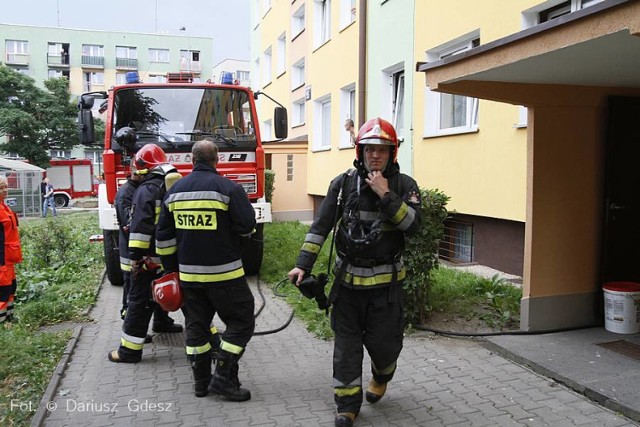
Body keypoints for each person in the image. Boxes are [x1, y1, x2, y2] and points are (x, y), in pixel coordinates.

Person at [288, 118, 422, 427]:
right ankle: (347, 405)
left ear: (392, 154)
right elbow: (320, 228)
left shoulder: (405, 185)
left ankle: (381, 375)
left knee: (385, 348)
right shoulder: (343, 184)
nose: (375, 156)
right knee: (346, 349)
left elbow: (414, 228)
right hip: (347, 286)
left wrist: (387, 196)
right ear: (360, 151)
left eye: (382, 150)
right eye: (370, 149)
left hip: (386, 290)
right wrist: (302, 264)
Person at [156, 139, 256, 401]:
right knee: (242, 322)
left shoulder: (174, 193)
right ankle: (223, 377)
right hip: (226, 277)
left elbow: (163, 238)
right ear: (217, 160)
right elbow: (247, 226)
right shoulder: (229, 189)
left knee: (197, 329)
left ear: (192, 160)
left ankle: (201, 384)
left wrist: (171, 271)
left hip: (189, 277)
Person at [108, 144, 183, 364]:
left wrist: (136, 258)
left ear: (142, 167)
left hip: (149, 261)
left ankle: (129, 351)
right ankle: (211, 344)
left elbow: (140, 229)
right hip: (175, 258)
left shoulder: (146, 190)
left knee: (139, 302)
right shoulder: (176, 186)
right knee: (191, 300)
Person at [0, 175, 22, 325]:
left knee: (11, 286)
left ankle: (9, 317)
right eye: (1, 188)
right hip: (2, 258)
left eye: (5, 186)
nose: (5, 190)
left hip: (9, 257)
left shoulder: (4, 206)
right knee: (3, 289)